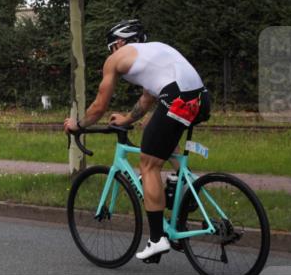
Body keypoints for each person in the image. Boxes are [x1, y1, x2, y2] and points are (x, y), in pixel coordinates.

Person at [63, 20, 210, 260]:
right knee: (161, 138)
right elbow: (146, 99)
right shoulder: (155, 51)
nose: (112, 52)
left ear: (120, 42)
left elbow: (100, 106)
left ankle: (156, 239)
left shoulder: (116, 59)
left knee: (149, 165)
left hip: (177, 99)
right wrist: (127, 119)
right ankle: (187, 188)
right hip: (202, 99)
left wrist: (77, 126)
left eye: (112, 47)